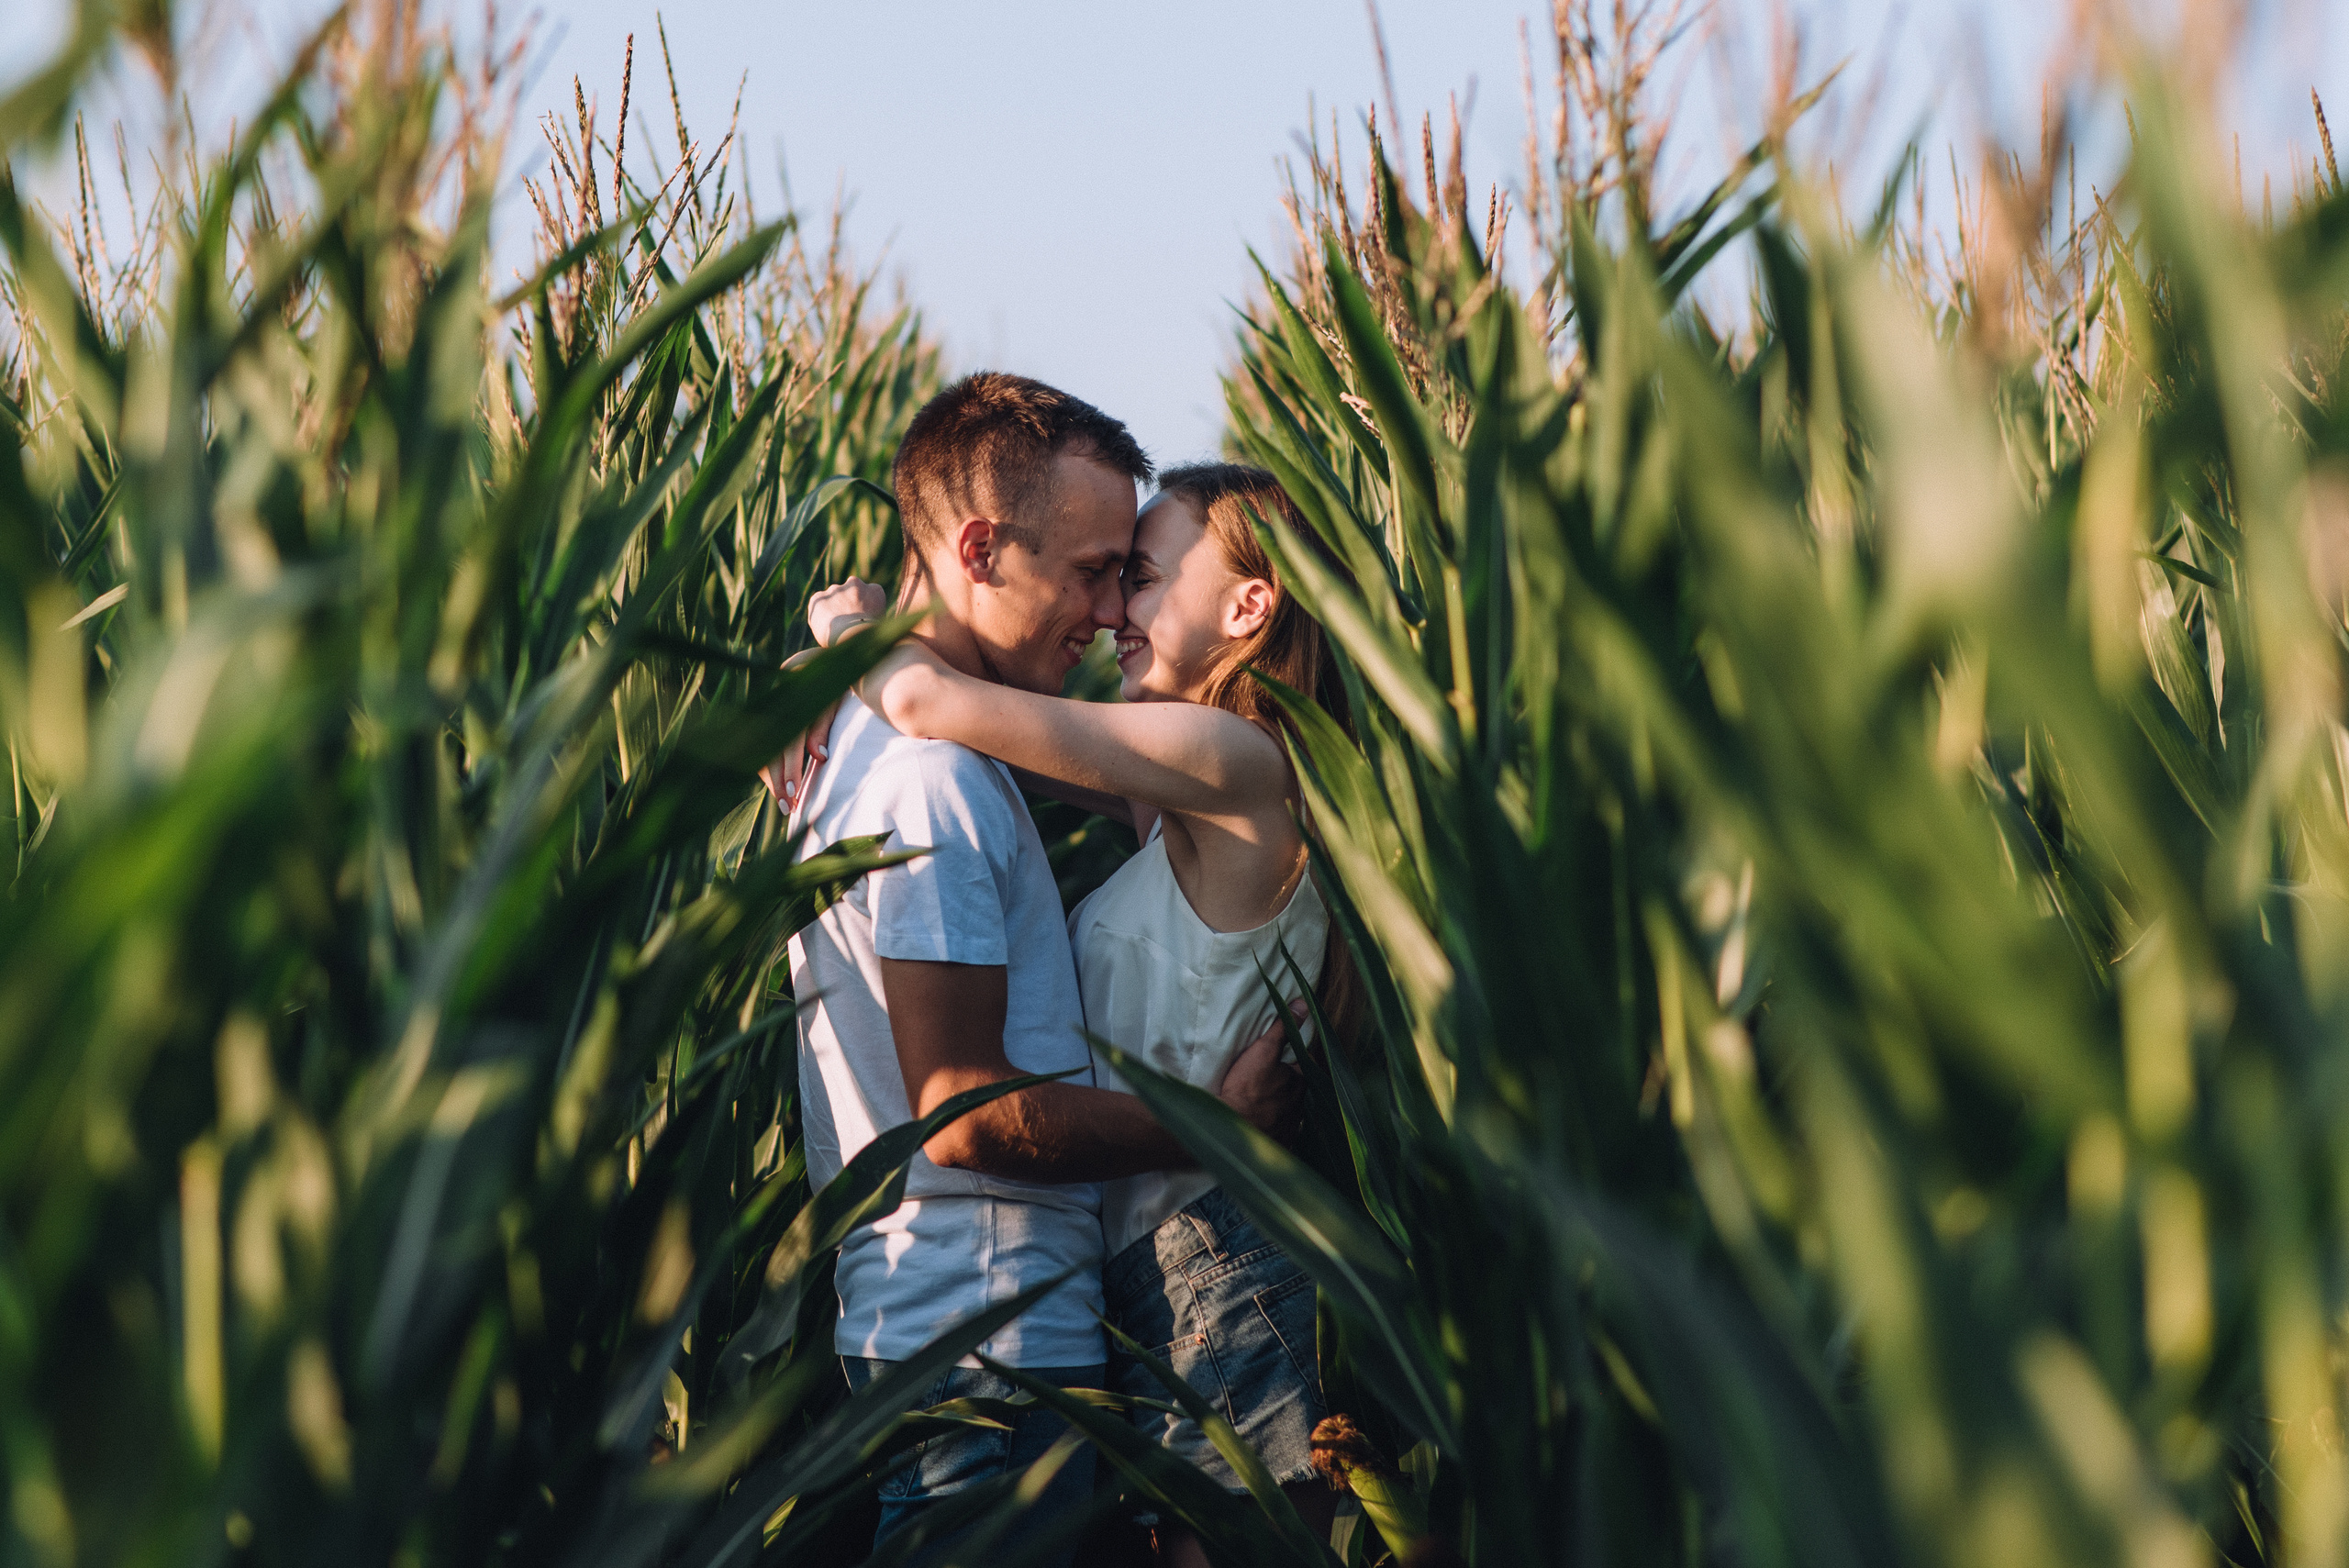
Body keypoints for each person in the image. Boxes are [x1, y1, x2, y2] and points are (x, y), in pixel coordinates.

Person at [768, 374, 1305, 1567]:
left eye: (1143, 573)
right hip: (1012, 1327)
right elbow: (962, 1110)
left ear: (1251, 607)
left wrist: (851, 639)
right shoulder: (938, 775)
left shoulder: (1222, 760)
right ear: (979, 545)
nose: (1115, 608)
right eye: (1101, 568)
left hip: (1162, 1286)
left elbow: (929, 690)